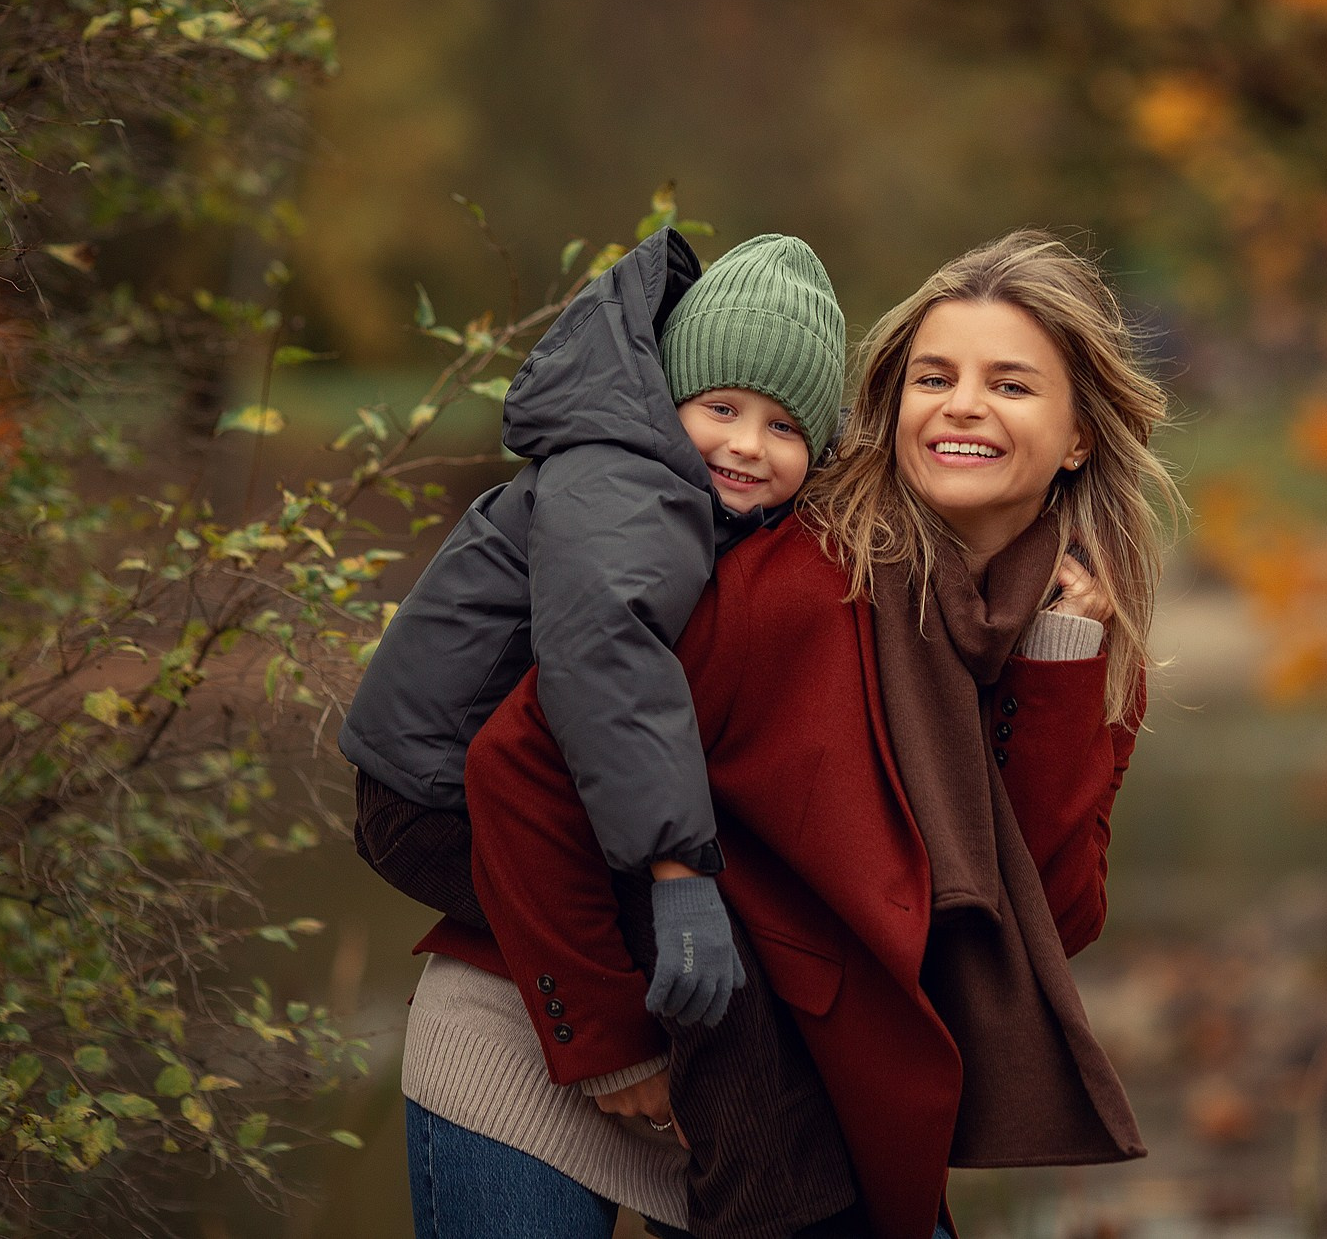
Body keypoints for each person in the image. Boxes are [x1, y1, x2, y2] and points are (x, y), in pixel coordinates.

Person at [372, 229, 1180, 1239]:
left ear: (1076, 435)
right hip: (546, 1024)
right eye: (934, 376)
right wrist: (609, 1039)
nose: (963, 404)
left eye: (1010, 384)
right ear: (893, 409)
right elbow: (517, 766)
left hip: (771, 1100)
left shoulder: (1084, 639)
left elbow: (1042, 925)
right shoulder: (797, 581)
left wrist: (1058, 662)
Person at [341, 226, 857, 1235]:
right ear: (667, 399)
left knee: (735, 968)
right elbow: (604, 650)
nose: (747, 444)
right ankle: (752, 1185)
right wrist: (677, 867)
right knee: (718, 960)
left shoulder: (692, 501)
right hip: (428, 792)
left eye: (785, 427)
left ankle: (746, 1177)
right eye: (720, 407)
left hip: (481, 785)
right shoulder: (624, 481)